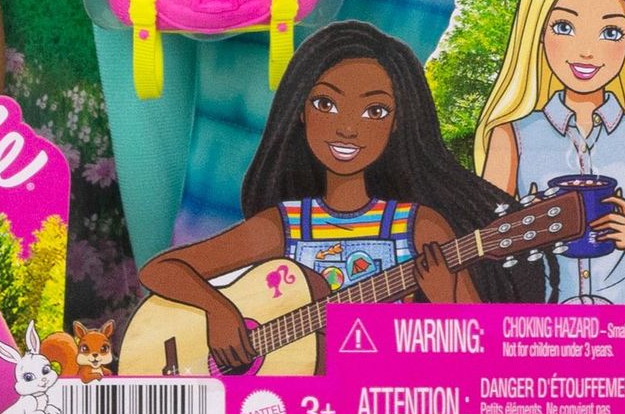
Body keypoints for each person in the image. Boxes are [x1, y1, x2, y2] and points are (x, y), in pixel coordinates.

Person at [138, 22, 550, 372]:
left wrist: (444, 299)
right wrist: (218, 310)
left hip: (382, 402)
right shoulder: (286, 226)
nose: (348, 128)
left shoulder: (419, 228)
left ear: (398, 123)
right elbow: (162, 269)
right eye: (326, 104)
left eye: (375, 111)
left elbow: (486, 355)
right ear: (301, 110)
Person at [477, 0, 625, 304]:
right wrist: (524, 234)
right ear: (539, 32)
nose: (586, 51)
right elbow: (484, 255)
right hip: (542, 323)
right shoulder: (511, 136)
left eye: (611, 32)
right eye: (564, 26)